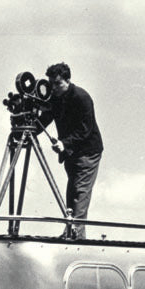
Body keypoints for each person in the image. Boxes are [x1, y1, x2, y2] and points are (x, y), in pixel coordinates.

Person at [39, 62, 104, 239]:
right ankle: (71, 231)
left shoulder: (81, 97)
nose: (54, 88)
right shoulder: (55, 98)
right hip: (71, 153)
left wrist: (65, 143)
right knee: (72, 193)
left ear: (68, 81)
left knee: (80, 193)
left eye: (58, 84)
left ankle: (77, 236)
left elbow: (86, 129)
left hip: (88, 152)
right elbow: (45, 119)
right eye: (51, 84)